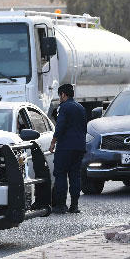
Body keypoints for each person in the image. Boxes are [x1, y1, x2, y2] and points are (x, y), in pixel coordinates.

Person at [49, 83, 87, 214]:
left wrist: (53, 142)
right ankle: (74, 205)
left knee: (60, 174)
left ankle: (61, 205)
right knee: (75, 175)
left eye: (60, 95)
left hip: (65, 147)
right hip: (79, 146)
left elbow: (60, 126)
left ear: (63, 94)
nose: (59, 98)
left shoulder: (63, 108)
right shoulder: (81, 107)